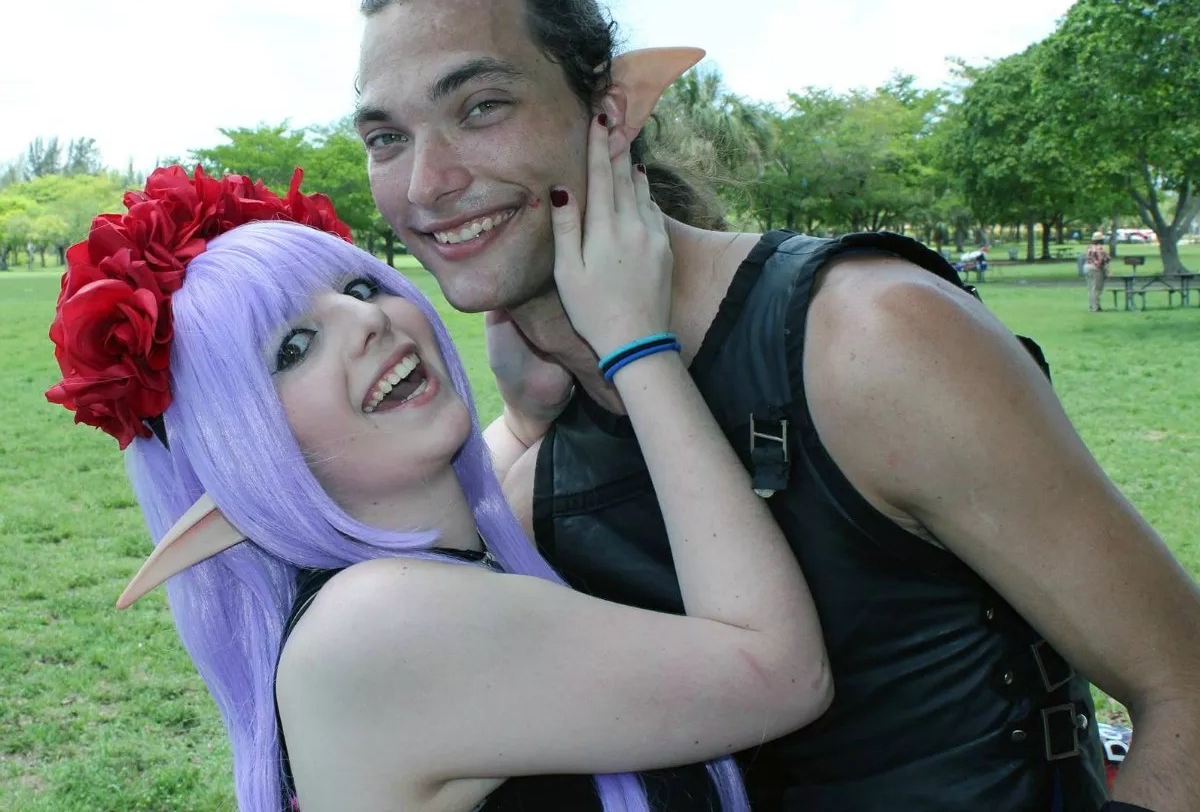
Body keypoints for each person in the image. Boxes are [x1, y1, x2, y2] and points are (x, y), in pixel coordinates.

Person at [353, 0, 1200, 812]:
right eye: (386, 137)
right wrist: (525, 427)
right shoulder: (542, 465)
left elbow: (1184, 687)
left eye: (482, 107)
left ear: (608, 114)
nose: (425, 184)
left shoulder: (871, 338)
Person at [45, 161, 831, 812]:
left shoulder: (388, 597)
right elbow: (782, 675)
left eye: (359, 289)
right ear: (238, 448)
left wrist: (522, 420)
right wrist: (636, 344)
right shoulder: (378, 624)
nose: (367, 321)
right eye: (293, 346)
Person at [1086, 231, 1112, 312]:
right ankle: (1096, 307)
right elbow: (1104, 261)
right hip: (1096, 269)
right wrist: (1108, 272)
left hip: (1087, 268)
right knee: (1097, 288)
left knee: (1091, 288)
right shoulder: (1101, 248)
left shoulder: (1089, 247)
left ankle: (1092, 305)